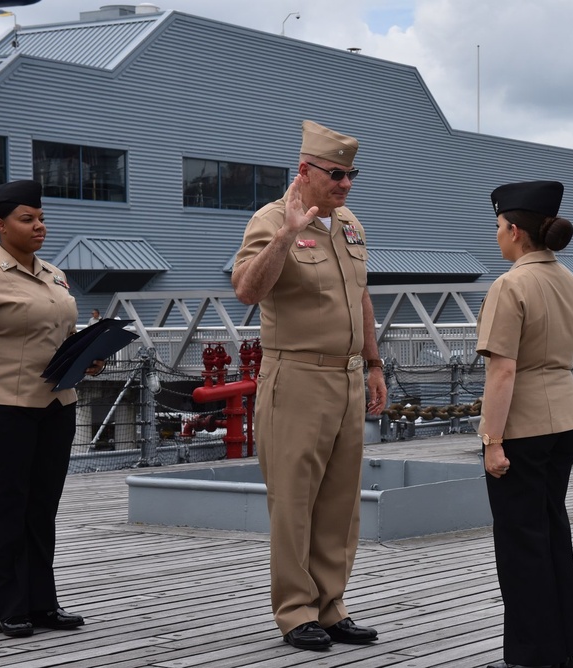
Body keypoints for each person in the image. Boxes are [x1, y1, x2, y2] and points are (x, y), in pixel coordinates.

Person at [232, 120, 386, 652]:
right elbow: (246, 290)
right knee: (294, 501)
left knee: (341, 502)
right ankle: (296, 611)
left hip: (345, 378)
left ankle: (331, 605)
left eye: (351, 174)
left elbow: (361, 297)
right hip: (295, 377)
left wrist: (374, 363)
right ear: (305, 171)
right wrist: (283, 235)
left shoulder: (349, 225)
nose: (345, 184)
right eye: (336, 174)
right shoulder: (271, 219)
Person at [0, 180, 102, 638]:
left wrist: (89, 357)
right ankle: (8, 605)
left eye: (42, 218)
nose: (40, 226)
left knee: (41, 509)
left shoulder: (54, 275)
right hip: (2, 409)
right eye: (27, 219)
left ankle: (42, 603)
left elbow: (58, 339)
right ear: (0, 224)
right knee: (4, 508)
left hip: (57, 405)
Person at [476, 180, 573, 668]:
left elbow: (502, 369)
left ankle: (533, 652)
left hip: (523, 425)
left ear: (515, 231)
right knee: (551, 531)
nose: (496, 234)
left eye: (498, 226)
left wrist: (491, 441)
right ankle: (559, 645)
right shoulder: (566, 279)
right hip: (564, 417)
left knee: (521, 543)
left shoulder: (511, 285)